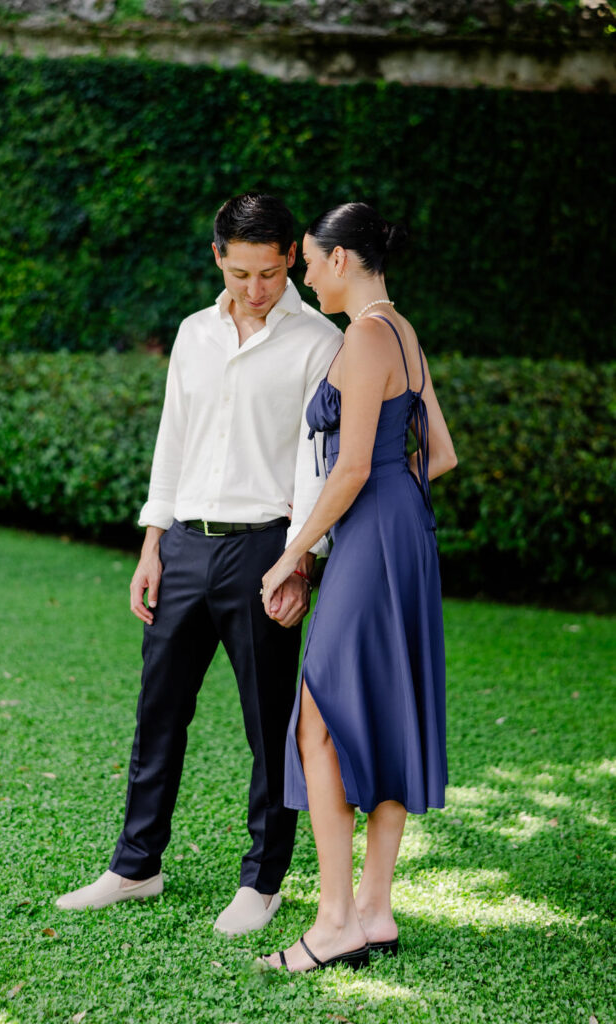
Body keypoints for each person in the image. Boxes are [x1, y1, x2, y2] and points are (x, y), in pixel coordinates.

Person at [56, 193, 341, 935]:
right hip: (183, 542)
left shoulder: (318, 341)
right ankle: (135, 866)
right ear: (218, 257)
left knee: (266, 723)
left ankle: (263, 880)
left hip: (263, 550)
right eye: (242, 272)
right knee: (158, 716)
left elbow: (319, 465)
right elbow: (172, 439)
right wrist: (152, 543)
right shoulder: (192, 333)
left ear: (290, 262)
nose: (255, 289)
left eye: (272, 274)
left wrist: (299, 561)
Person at [259, 202, 457, 972]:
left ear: (340, 259)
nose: (304, 273)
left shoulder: (366, 336)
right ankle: (372, 912)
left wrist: (290, 557)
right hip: (399, 533)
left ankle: (337, 920)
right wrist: (390, 497)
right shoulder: (401, 329)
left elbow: (346, 470)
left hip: (371, 537)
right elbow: (436, 454)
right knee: (381, 708)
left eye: (309, 259)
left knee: (319, 720)